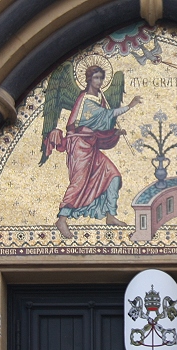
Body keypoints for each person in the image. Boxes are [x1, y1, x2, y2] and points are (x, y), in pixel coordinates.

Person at [47, 66, 142, 238]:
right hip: (79, 146)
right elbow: (103, 116)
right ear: (89, 79)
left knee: (113, 175)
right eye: (96, 78)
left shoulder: (99, 99)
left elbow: (99, 125)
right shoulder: (85, 99)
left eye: (101, 78)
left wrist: (114, 132)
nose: (99, 81)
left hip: (91, 145)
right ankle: (62, 219)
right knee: (79, 182)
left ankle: (110, 215)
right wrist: (129, 106)